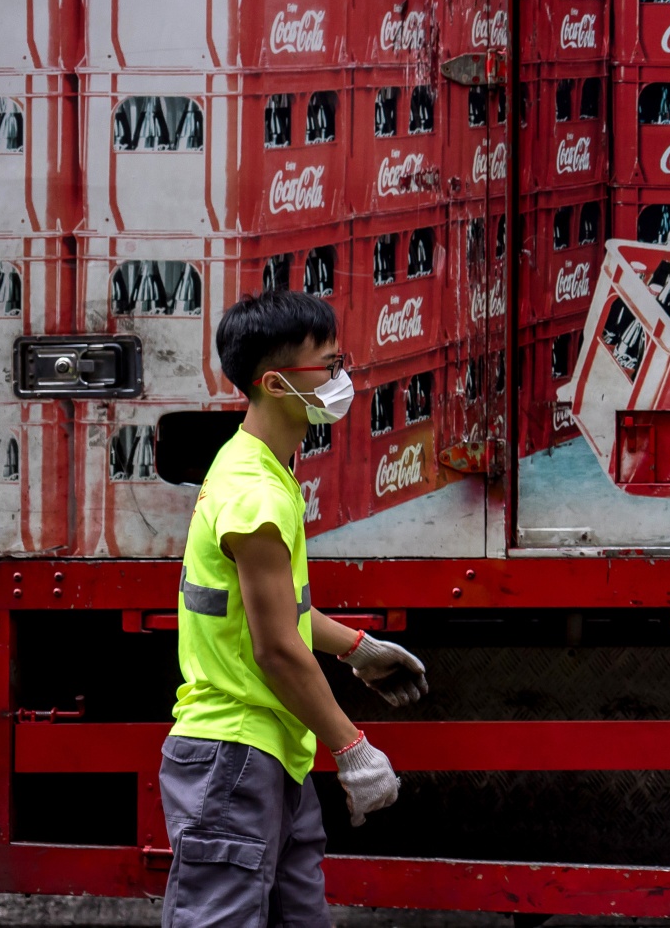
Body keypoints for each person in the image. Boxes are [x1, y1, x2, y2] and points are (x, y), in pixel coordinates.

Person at [162, 290, 429, 928]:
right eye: (329, 366)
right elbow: (276, 646)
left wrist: (356, 648)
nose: (342, 380)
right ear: (277, 383)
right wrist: (355, 748)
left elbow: (278, 615)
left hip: (270, 751)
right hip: (234, 754)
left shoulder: (254, 465)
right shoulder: (256, 495)